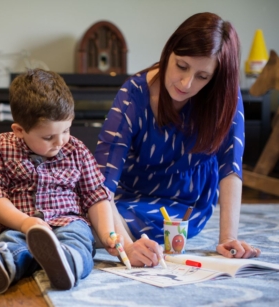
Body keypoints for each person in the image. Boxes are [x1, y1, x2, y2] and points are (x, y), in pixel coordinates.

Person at [94, 12, 262, 268]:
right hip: (129, 195)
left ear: (215, 78)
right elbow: (102, 181)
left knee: (97, 223)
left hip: (185, 204)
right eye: (181, 66)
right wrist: (126, 247)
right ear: (168, 51)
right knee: (91, 209)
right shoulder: (133, 93)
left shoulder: (225, 96)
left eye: (203, 76)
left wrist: (228, 237)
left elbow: (231, 166)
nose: (186, 83)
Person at [0, 68, 118, 294]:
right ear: (19, 130)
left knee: (78, 242)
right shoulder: (2, 148)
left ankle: (67, 263)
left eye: (66, 130)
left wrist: (107, 234)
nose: (61, 141)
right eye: (48, 137)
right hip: (21, 225)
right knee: (14, 244)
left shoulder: (77, 150)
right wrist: (25, 223)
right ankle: (0, 265)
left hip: (68, 222)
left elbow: (96, 195)